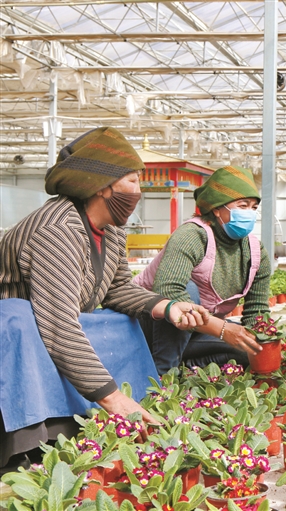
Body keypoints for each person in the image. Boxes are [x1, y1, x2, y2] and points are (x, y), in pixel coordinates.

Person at [0, 127, 207, 468]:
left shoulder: (110, 230)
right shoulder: (58, 231)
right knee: (19, 316)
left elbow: (117, 289)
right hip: (23, 341)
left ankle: (129, 402)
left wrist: (166, 306)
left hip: (54, 327)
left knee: (119, 321)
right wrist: (112, 399)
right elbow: (58, 326)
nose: (139, 191)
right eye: (133, 181)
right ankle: (36, 436)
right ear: (102, 186)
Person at [135, 165, 271, 375]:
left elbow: (257, 311)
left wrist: (264, 341)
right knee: (188, 291)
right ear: (217, 209)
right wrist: (222, 329)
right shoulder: (192, 235)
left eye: (253, 208)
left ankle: (184, 370)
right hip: (148, 323)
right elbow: (168, 290)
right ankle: (162, 373)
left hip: (194, 330)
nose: (250, 213)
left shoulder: (255, 252)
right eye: (243, 206)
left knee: (248, 351)